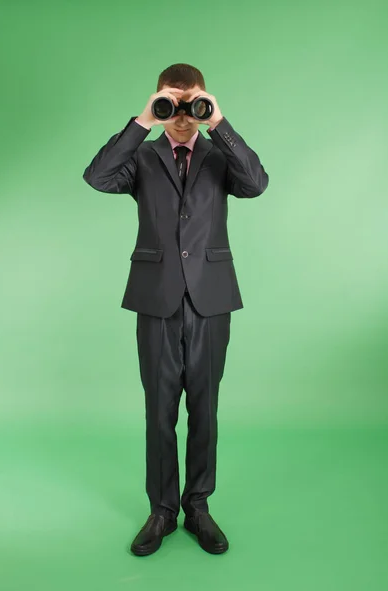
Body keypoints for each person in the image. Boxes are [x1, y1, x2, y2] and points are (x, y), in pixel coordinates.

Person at [82, 63, 269, 556]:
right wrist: (144, 119)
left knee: (204, 409)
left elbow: (257, 183)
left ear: (203, 101)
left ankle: (198, 507)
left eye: (191, 104)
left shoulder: (218, 155)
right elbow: (97, 176)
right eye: (173, 105)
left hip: (211, 300)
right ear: (161, 103)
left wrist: (219, 123)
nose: (182, 115)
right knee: (159, 410)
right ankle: (162, 511)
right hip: (156, 299)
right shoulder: (141, 159)